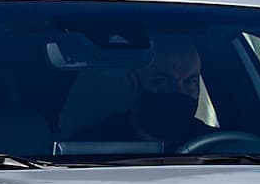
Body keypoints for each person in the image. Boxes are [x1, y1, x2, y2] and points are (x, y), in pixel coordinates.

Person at [70, 37, 214, 145]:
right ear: (134, 82)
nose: (179, 91)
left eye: (191, 81)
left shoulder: (215, 145)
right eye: (162, 81)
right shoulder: (91, 145)